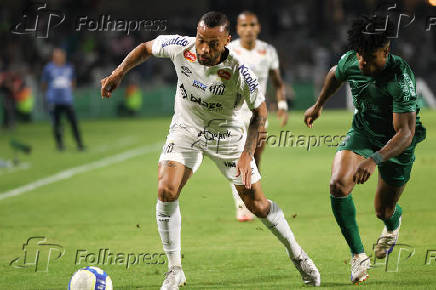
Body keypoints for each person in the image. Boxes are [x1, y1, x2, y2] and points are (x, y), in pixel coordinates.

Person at [101, 11, 320, 289]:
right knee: (166, 190)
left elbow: (261, 114)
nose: (204, 49)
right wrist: (119, 72)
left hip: (227, 138)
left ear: (227, 40)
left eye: (213, 44)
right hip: (185, 129)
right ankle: (175, 269)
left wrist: (247, 153)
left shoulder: (240, 70)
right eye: (201, 40)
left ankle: (298, 256)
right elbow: (146, 47)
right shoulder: (182, 46)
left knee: (257, 204)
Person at [304, 15, 426, 284]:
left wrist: (374, 159)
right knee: (337, 184)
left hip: (397, 145)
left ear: (386, 51)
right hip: (363, 133)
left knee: (383, 210)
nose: (363, 64)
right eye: (360, 56)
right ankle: (358, 256)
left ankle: (393, 224)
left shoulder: (400, 77)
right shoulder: (353, 60)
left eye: (370, 58)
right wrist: (319, 104)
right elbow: (334, 74)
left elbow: (405, 132)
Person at [227, 11, 289, 221]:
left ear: (258, 27)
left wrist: (282, 104)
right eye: (244, 25)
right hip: (233, 114)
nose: (248, 29)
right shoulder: (229, 51)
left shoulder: (268, 51)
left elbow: (277, 82)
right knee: (237, 158)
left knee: (256, 158)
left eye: (252, 24)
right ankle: (241, 204)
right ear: (238, 28)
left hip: (259, 115)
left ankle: (252, 196)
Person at [42, 48, 85, 151]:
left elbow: (73, 81)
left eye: (60, 55)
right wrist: (49, 94)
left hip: (67, 100)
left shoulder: (69, 67)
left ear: (63, 56)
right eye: (55, 56)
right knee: (57, 124)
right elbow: (44, 83)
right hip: (54, 101)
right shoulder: (48, 68)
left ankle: (79, 144)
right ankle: (60, 145)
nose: (58, 57)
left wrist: (69, 90)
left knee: (73, 123)